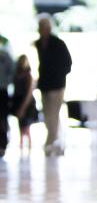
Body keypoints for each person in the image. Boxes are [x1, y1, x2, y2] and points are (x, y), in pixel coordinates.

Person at [34, 16, 72, 156]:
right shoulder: (38, 44)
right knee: (48, 115)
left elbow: (68, 64)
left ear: (48, 28)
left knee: (53, 115)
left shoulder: (58, 43)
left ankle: (51, 143)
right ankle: (56, 142)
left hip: (57, 85)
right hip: (44, 85)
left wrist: (57, 76)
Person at [11, 55, 37, 153]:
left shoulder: (28, 76)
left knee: (26, 127)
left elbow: (29, 93)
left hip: (27, 103)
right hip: (18, 101)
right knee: (21, 127)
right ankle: (22, 146)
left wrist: (23, 107)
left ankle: (28, 148)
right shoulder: (16, 74)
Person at [0, 36, 13, 157]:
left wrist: (6, 83)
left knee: (3, 118)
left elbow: (12, 71)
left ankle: (2, 144)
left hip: (2, 90)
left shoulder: (4, 55)